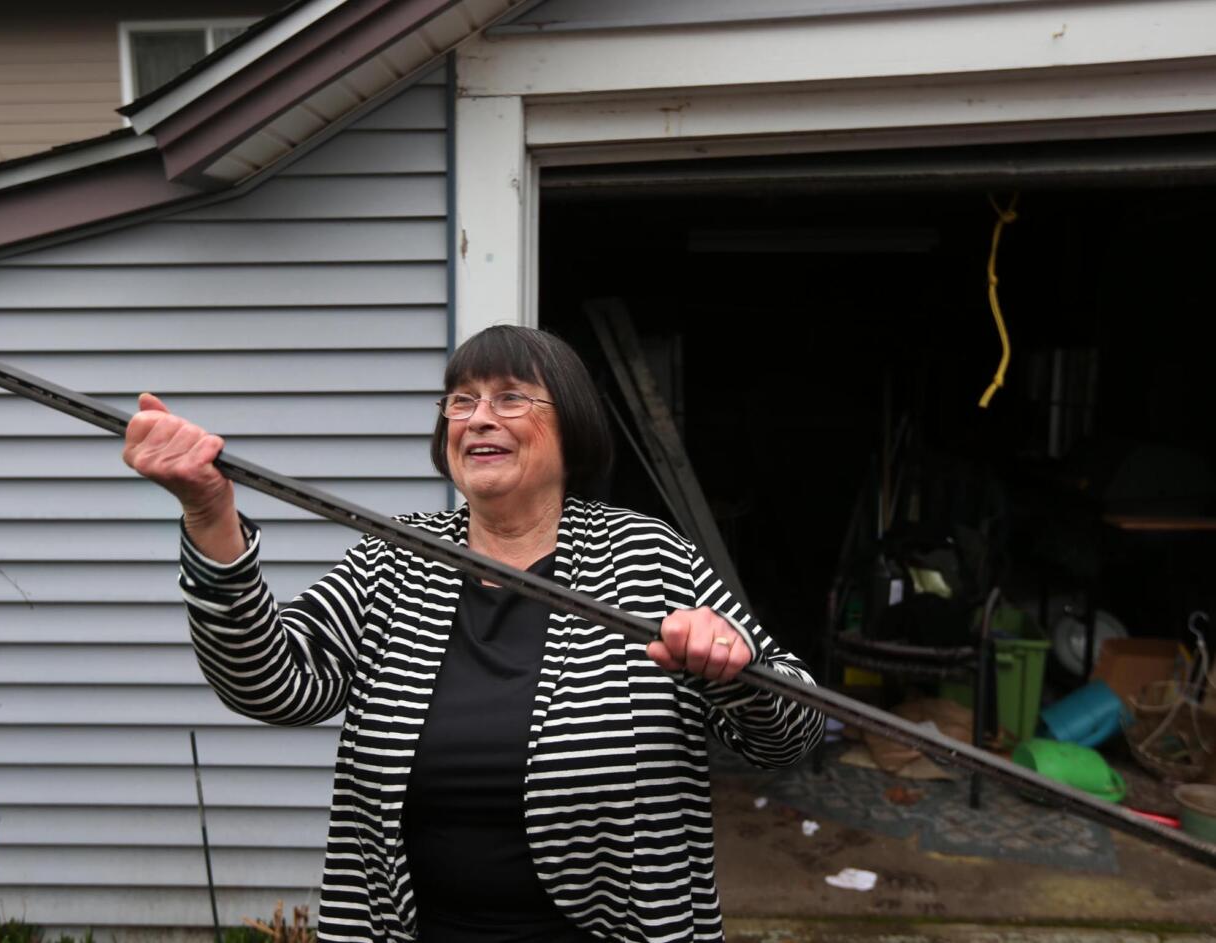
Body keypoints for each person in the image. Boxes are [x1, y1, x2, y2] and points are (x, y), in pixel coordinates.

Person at [123, 325, 823, 943]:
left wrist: (739, 666)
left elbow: (792, 730)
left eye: (511, 396)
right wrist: (210, 516)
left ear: (571, 424)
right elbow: (271, 682)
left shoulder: (645, 557)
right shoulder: (394, 558)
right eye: (461, 400)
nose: (478, 417)